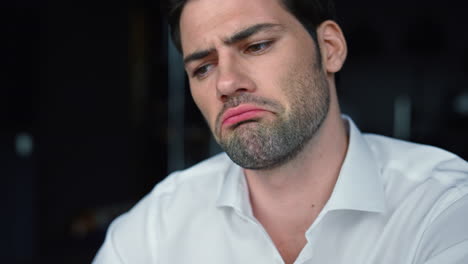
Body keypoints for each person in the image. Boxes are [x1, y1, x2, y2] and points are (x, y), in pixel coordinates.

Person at [93, 0, 468, 263]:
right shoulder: (155, 229)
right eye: (203, 68)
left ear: (330, 48)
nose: (226, 82)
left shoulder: (444, 208)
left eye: (256, 46)